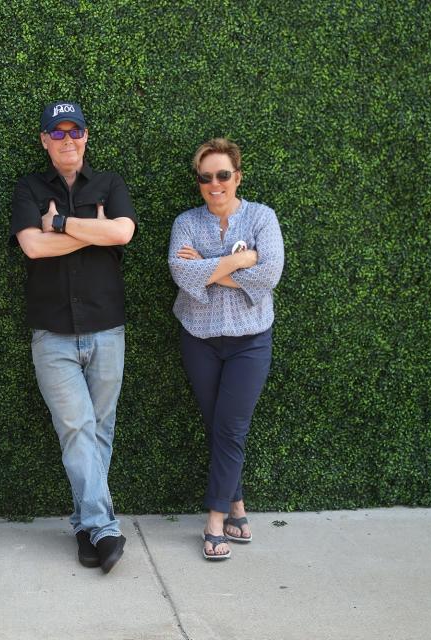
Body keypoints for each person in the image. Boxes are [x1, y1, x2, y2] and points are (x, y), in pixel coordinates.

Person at [10, 101, 136, 573]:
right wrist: (94, 230)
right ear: (45, 140)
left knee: (99, 430)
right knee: (78, 428)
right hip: (53, 335)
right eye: (57, 134)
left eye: (75, 132)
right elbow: (33, 246)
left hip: (107, 328)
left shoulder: (110, 183)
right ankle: (105, 529)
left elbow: (123, 233)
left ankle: (85, 527)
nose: (67, 141)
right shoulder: (28, 187)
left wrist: (62, 223)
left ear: (86, 136)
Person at [167, 138, 284, 560]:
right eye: (206, 177)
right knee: (218, 425)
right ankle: (236, 504)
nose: (214, 184)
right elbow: (181, 273)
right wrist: (238, 261)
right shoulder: (186, 221)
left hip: (250, 341)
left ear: (237, 176)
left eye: (222, 175)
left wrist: (208, 266)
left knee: (232, 427)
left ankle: (216, 520)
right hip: (199, 337)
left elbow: (270, 273)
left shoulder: (262, 217)